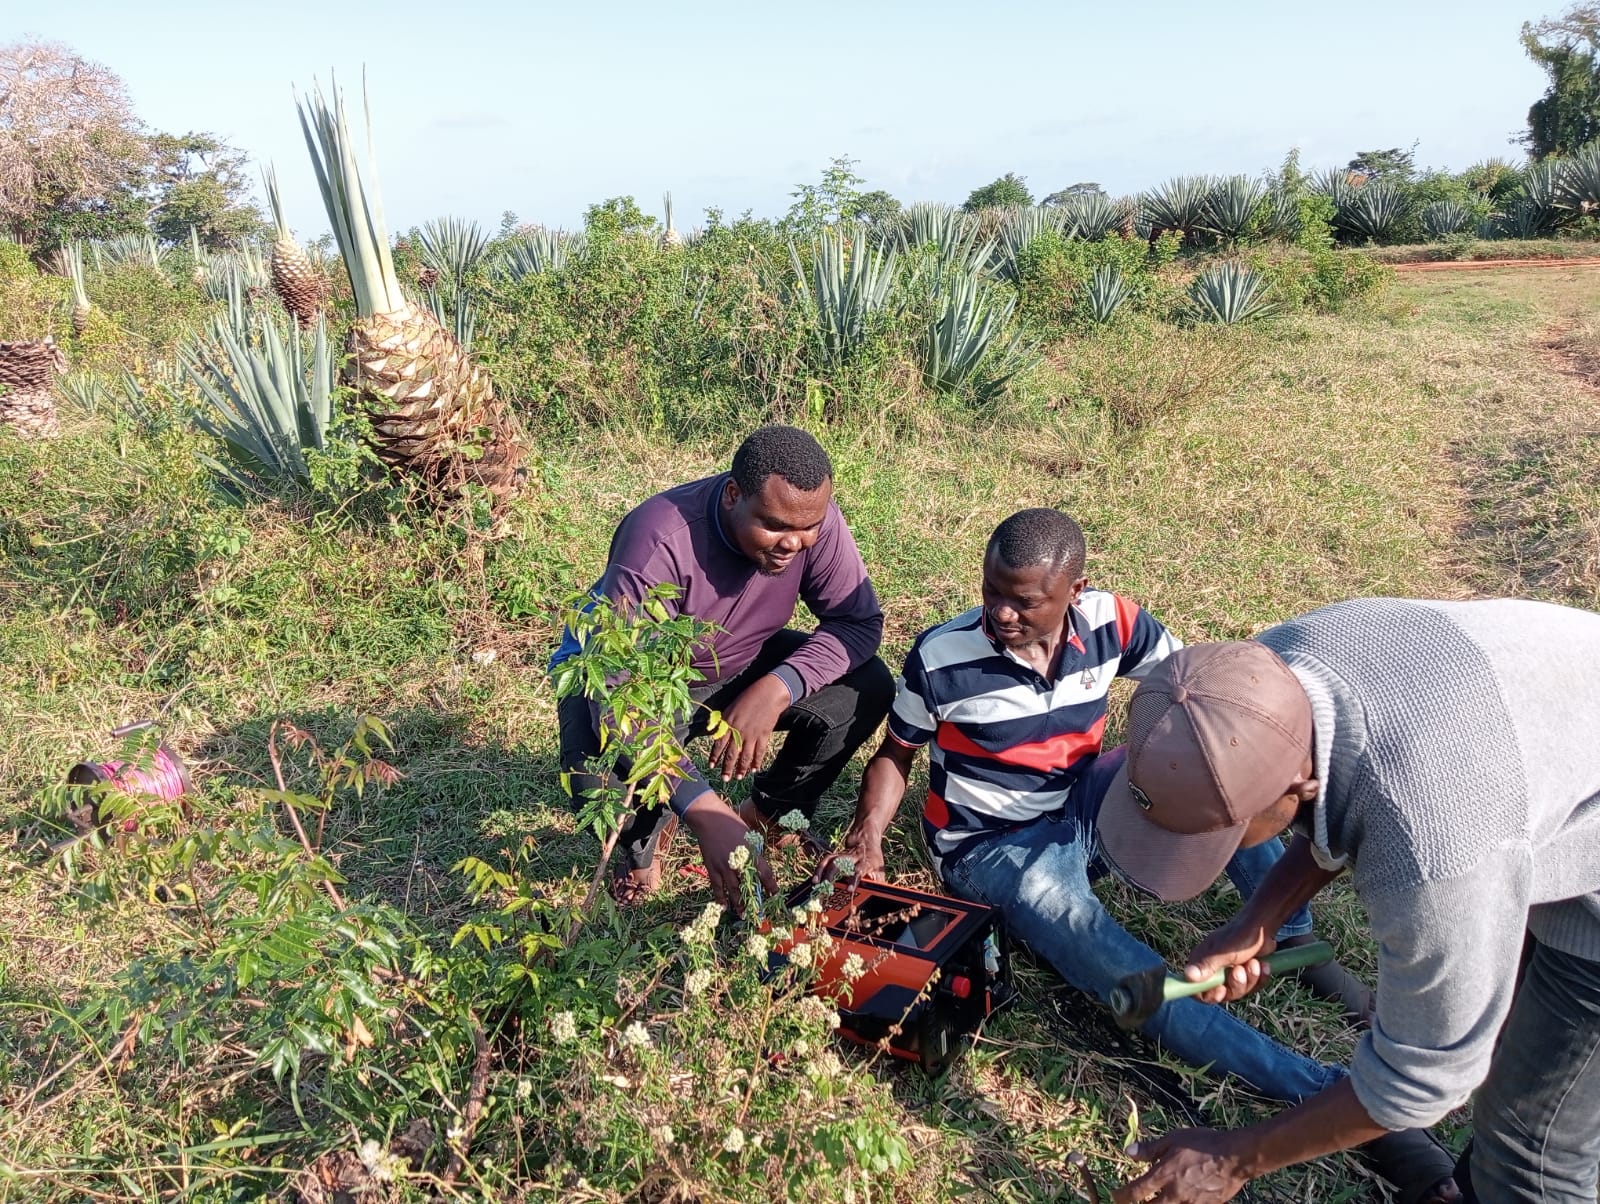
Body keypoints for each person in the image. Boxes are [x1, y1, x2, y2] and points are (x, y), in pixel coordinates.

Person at [820, 510, 1447, 1192]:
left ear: (1075, 591)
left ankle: (1291, 936)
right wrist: (870, 833)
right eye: (990, 591)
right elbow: (896, 754)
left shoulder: (1114, 623)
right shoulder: (943, 656)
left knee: (1208, 777)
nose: (999, 612)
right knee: (1126, 974)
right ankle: (1325, 1090)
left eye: (1022, 601)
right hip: (993, 847)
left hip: (1087, 798)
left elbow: (1197, 697)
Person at [1096, 597, 1600, 1204]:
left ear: (1296, 786)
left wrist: (1232, 1160)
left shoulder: (1435, 851)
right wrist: (1262, 918)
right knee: (1511, 1037)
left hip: (1538, 826)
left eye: (1218, 831)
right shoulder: (1246, 682)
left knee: (1532, 1153)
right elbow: (1348, 786)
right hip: (1546, 758)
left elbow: (1423, 1078)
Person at [553, 424, 894, 908]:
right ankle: (645, 845)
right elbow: (615, 700)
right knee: (597, 788)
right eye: (774, 526)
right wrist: (703, 807)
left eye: (808, 528)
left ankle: (770, 813)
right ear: (733, 495)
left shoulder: (810, 521)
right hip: (635, 682)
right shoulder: (659, 539)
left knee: (868, 685)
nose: (794, 543)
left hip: (735, 659)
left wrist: (777, 687)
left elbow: (857, 623)